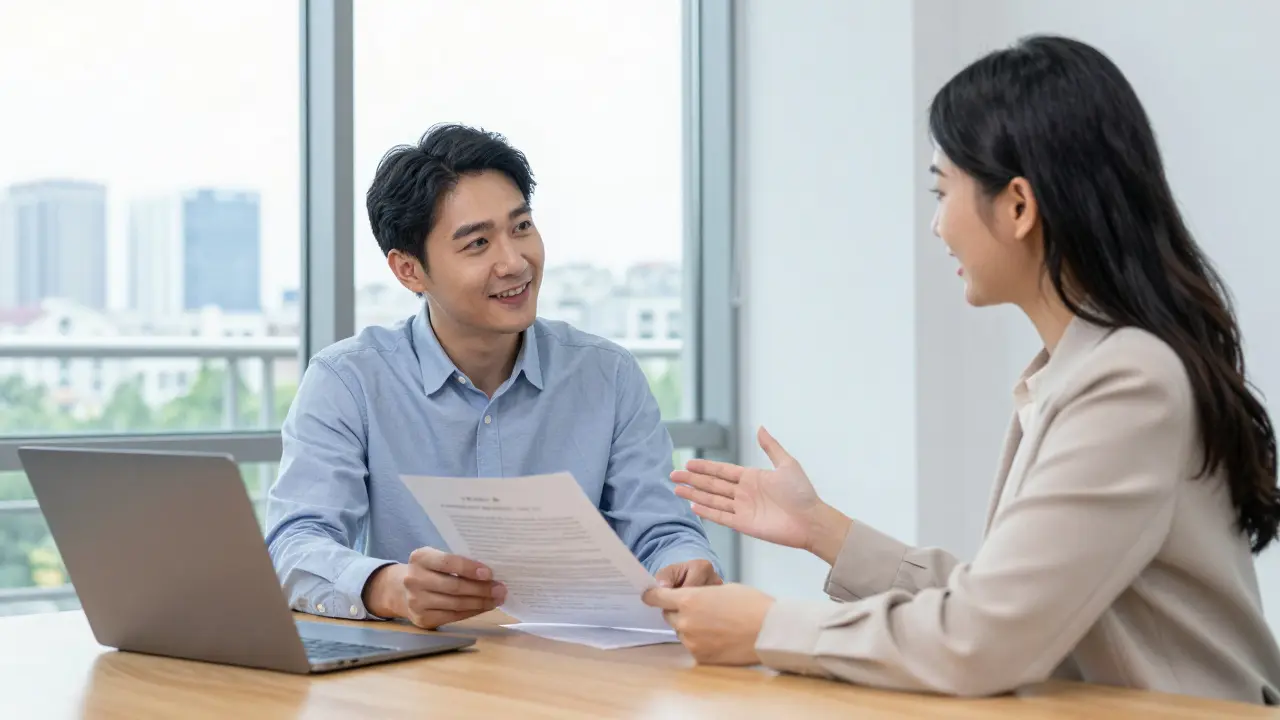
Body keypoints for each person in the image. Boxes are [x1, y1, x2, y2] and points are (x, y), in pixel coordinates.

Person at [642, 35, 1280, 705]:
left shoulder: (1130, 382)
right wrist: (820, 529)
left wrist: (771, 627)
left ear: (1018, 206)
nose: (936, 225)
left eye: (943, 191)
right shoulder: (1085, 368)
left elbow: (983, 636)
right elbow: (1000, 599)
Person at [266, 124, 722, 631]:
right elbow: (293, 545)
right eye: (478, 243)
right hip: (417, 679)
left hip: (581, 671)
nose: (514, 262)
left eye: (521, 227)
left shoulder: (607, 375)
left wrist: (685, 563)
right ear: (409, 271)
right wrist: (387, 587)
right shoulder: (348, 381)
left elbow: (661, 531)